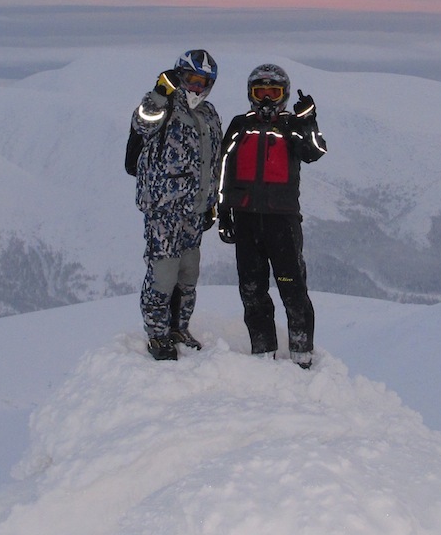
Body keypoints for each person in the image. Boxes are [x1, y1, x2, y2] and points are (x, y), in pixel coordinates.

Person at [217, 63, 327, 367]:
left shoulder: (292, 125)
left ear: (284, 95)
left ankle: (302, 354)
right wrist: (223, 211)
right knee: (252, 291)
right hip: (246, 218)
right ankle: (263, 354)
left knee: (293, 289)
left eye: (273, 92)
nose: (266, 98)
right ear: (250, 94)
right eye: (260, 92)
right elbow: (223, 168)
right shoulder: (240, 124)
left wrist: (308, 121)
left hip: (283, 222)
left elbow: (314, 152)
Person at [132, 48, 223, 360]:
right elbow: (142, 124)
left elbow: (214, 162)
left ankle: (179, 328)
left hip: (195, 209)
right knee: (163, 273)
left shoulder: (209, 114)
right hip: (164, 208)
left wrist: (212, 201)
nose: (196, 86)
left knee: (188, 273)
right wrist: (160, 93)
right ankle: (158, 335)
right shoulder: (164, 105)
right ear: (179, 76)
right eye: (191, 79)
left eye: (203, 81)